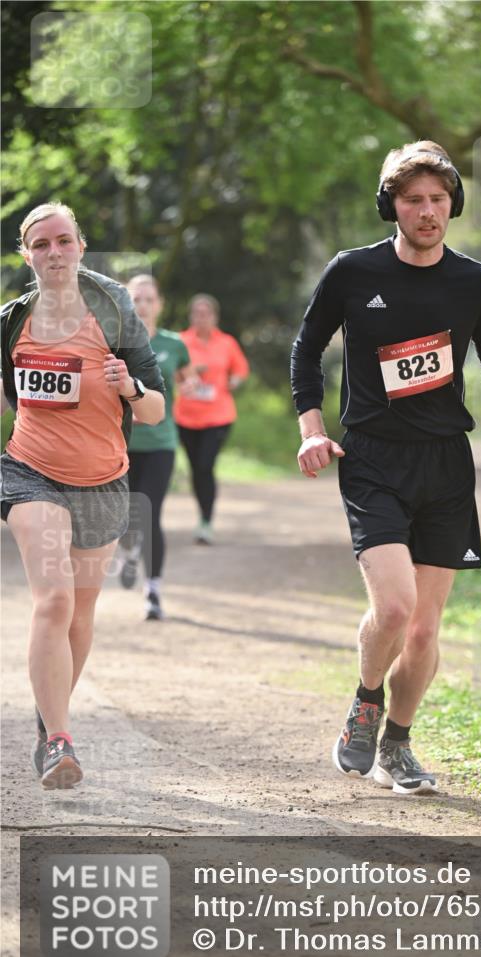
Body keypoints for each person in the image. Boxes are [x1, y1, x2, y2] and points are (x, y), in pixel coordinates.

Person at [291, 141, 481, 795]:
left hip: (445, 463)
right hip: (372, 456)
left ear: (453, 203)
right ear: (390, 206)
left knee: (425, 629)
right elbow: (305, 350)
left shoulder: (474, 281)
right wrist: (311, 429)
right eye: (412, 200)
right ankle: (365, 700)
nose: (427, 211)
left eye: (437, 199)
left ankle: (396, 745)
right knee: (395, 609)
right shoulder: (352, 272)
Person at [0, 203, 165, 789]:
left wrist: (131, 387)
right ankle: (61, 742)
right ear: (27, 255)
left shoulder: (114, 313)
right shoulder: (12, 321)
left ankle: (48, 722)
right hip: (30, 471)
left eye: (63, 240)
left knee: (80, 614)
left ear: (80, 247)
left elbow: (155, 410)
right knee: (54, 601)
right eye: (41, 244)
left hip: (103, 479)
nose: (54, 252)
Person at [117, 274, 193, 620]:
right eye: (136, 298)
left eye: (149, 299)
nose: (143, 305)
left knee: (150, 514)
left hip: (161, 442)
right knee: (125, 516)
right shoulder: (114, 343)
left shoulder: (174, 345)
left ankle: (153, 590)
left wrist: (190, 386)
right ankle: (130, 546)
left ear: (159, 304)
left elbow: (187, 379)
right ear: (126, 302)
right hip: (121, 443)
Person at [173, 295, 249, 544]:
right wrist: (187, 374)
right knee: (196, 469)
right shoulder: (180, 341)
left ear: (215, 317)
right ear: (190, 316)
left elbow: (240, 369)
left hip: (218, 416)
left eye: (206, 313)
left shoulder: (227, 342)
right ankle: (202, 515)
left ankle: (206, 521)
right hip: (186, 416)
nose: (201, 318)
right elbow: (169, 371)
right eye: (197, 313)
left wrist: (234, 381)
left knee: (205, 466)